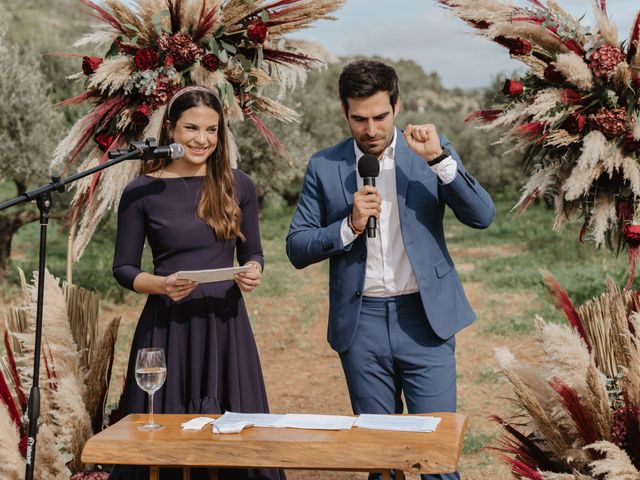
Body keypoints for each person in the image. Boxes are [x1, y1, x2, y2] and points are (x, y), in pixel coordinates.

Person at [286, 60, 495, 480]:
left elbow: (482, 215)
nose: (371, 129)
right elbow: (296, 246)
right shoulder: (324, 166)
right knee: (380, 460)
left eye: (380, 116)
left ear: (396, 105)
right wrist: (348, 226)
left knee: (435, 455)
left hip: (425, 321)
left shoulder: (430, 153)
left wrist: (439, 158)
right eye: (359, 118)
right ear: (344, 112)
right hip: (359, 326)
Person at [110, 86, 284, 480]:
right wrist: (160, 285)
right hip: (167, 327)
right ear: (170, 128)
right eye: (191, 127)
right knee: (162, 441)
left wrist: (254, 270)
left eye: (212, 130)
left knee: (234, 438)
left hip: (225, 326)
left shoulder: (239, 185)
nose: (202, 139)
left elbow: (253, 253)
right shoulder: (142, 191)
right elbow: (122, 267)